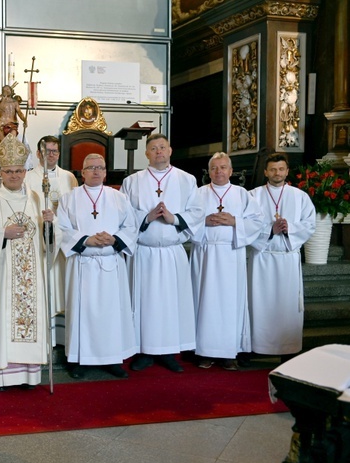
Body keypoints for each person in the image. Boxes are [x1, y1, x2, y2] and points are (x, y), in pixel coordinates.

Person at [0, 134, 58, 389]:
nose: (14, 175)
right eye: (8, 171)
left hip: (31, 276)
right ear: (0, 173)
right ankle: (1, 374)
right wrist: (2, 234)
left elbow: (50, 242)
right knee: (3, 319)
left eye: (18, 170)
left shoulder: (38, 199)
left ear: (25, 172)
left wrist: (50, 224)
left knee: (29, 319)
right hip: (2, 273)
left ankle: (28, 375)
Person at [120, 133, 204, 373]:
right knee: (144, 303)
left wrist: (173, 218)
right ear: (146, 154)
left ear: (170, 151)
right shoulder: (132, 181)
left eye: (162, 147)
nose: (158, 152)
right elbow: (124, 213)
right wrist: (146, 217)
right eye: (153, 148)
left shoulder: (186, 180)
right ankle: (144, 350)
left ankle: (168, 351)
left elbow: (197, 212)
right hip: (143, 253)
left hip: (171, 253)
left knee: (170, 303)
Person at [58, 153, 137, 379]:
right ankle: (81, 360)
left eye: (100, 167)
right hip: (82, 264)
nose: (95, 171)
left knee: (112, 313)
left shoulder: (118, 197)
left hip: (110, 263)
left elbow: (130, 226)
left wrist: (114, 239)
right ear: (82, 173)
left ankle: (112, 358)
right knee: (83, 313)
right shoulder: (69, 198)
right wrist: (86, 240)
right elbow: (61, 228)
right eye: (90, 167)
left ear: (105, 172)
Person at [189, 152, 263, 370]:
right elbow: (186, 221)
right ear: (208, 172)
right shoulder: (197, 194)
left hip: (231, 255)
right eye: (214, 168)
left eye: (223, 167)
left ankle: (229, 352)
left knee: (231, 304)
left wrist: (235, 221)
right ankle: (204, 351)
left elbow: (257, 222)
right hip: (205, 254)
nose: (219, 171)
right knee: (204, 303)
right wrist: (203, 223)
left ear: (231, 171)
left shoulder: (242, 195)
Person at [248, 152, 316, 360]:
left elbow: (310, 224)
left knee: (286, 305)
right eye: (273, 169)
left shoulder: (300, 196)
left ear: (287, 171)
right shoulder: (253, 196)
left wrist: (290, 228)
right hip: (262, 258)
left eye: (281, 169)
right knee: (259, 304)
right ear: (266, 171)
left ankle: (288, 350)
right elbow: (245, 225)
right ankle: (257, 348)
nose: (277, 173)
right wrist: (270, 231)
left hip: (287, 257)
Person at [24, 135, 77, 345]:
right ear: (39, 154)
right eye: (47, 151)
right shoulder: (28, 178)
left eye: (55, 151)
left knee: (63, 285)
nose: (51, 155)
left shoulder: (69, 177)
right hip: (41, 238)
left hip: (64, 239)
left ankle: (64, 338)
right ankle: (44, 338)